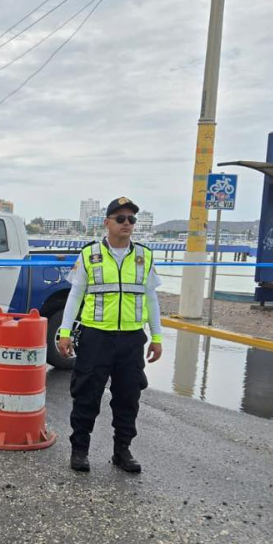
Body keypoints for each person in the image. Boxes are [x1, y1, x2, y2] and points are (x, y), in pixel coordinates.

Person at [55, 197, 163, 474]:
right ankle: (80, 450)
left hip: (131, 339)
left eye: (131, 220)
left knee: (128, 398)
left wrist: (158, 337)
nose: (127, 224)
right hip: (96, 338)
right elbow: (75, 296)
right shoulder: (89, 255)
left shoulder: (144, 256)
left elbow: (151, 299)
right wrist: (64, 333)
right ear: (107, 223)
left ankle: (122, 451)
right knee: (86, 396)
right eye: (121, 219)